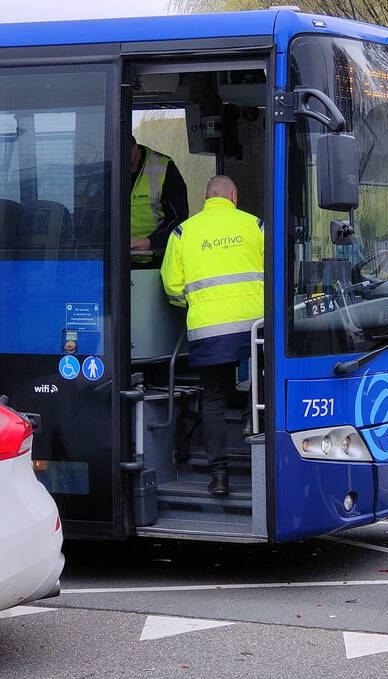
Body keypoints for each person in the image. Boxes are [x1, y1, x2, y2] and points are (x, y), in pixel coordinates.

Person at [160, 175, 264, 496]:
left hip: (208, 329)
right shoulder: (255, 225)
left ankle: (219, 476)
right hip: (255, 325)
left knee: (214, 399)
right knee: (262, 375)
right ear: (233, 195)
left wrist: (195, 302)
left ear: (206, 198)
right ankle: (250, 417)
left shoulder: (182, 232)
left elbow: (172, 287)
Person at [129, 137, 189, 267]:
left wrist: (151, 242)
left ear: (136, 148)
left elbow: (179, 219)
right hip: (113, 258)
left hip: (155, 257)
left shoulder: (163, 167)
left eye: (125, 155)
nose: (120, 162)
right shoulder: (107, 165)